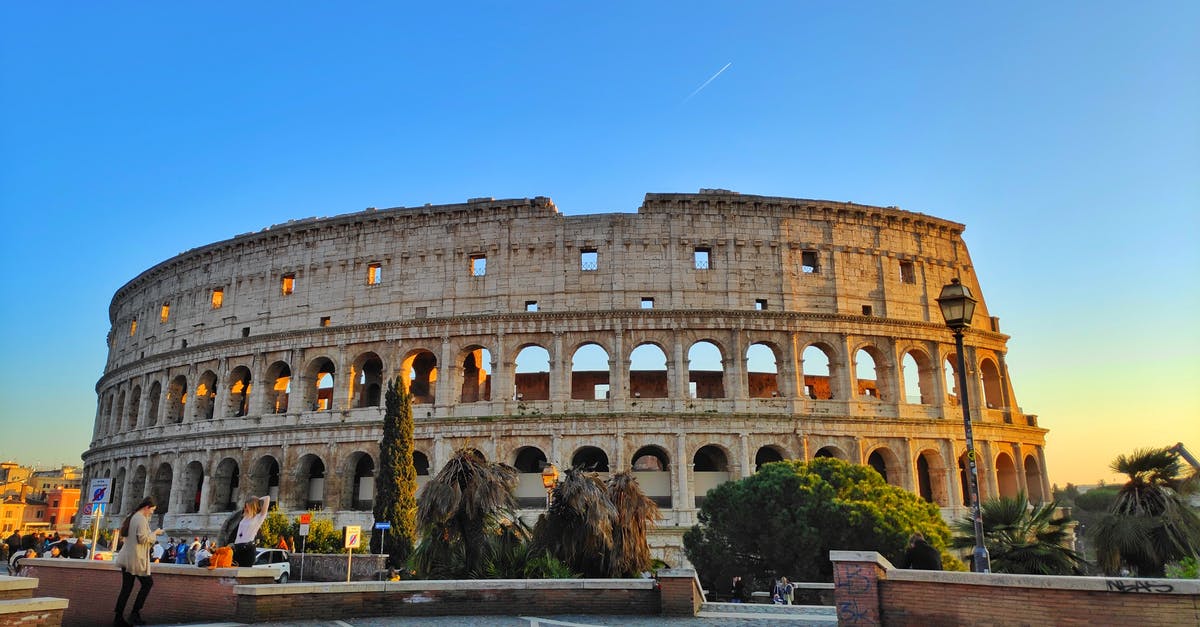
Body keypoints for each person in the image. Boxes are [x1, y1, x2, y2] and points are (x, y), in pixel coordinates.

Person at [113, 496, 163, 626]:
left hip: (127, 557)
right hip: (136, 559)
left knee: (126, 589)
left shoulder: (133, 516)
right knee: (147, 584)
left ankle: (119, 617)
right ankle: (134, 613)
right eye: (152, 510)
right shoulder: (140, 519)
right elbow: (142, 539)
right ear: (146, 507)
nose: (152, 512)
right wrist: (156, 533)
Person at [230, 495, 270, 568]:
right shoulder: (244, 516)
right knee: (233, 572)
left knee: (244, 573)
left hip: (248, 549)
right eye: (245, 506)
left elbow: (267, 498)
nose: (246, 507)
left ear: (252, 505)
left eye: (247, 505)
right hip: (237, 548)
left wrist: (256, 500)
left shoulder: (258, 518)